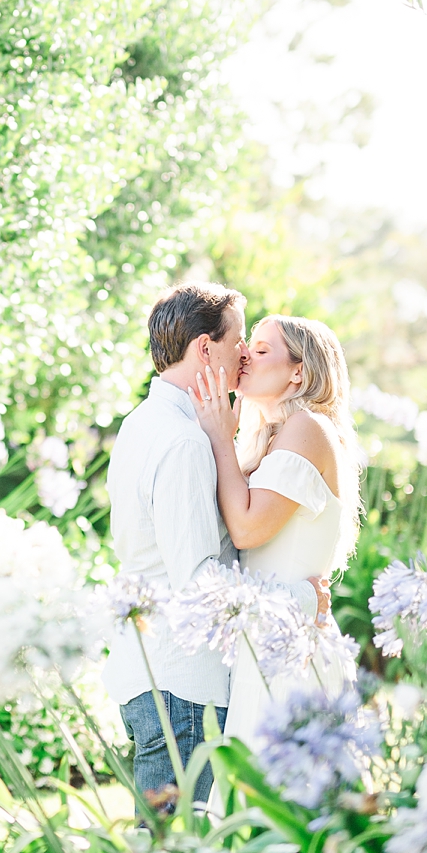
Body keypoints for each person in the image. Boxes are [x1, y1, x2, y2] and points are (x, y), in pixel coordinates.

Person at [102, 283, 329, 807]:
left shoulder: (144, 423)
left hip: (158, 673)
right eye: (238, 339)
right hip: (183, 686)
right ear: (206, 349)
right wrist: (303, 598)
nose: (244, 352)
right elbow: (200, 582)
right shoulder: (183, 442)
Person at [186, 313, 362, 745]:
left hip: (293, 649)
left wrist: (219, 436)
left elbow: (246, 530)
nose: (245, 355)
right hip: (267, 641)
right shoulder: (273, 437)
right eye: (249, 346)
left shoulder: (308, 428)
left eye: (262, 350)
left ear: (299, 371)